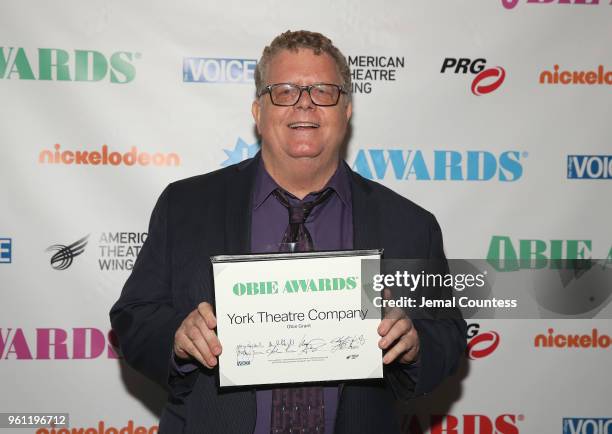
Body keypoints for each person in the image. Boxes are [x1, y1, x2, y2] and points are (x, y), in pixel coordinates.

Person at [110, 30, 466, 434]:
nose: (305, 104)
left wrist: (415, 342)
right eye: (284, 91)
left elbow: (448, 336)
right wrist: (176, 337)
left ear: (346, 111)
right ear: (258, 111)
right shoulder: (186, 206)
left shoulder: (408, 223)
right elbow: (134, 317)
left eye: (323, 91)